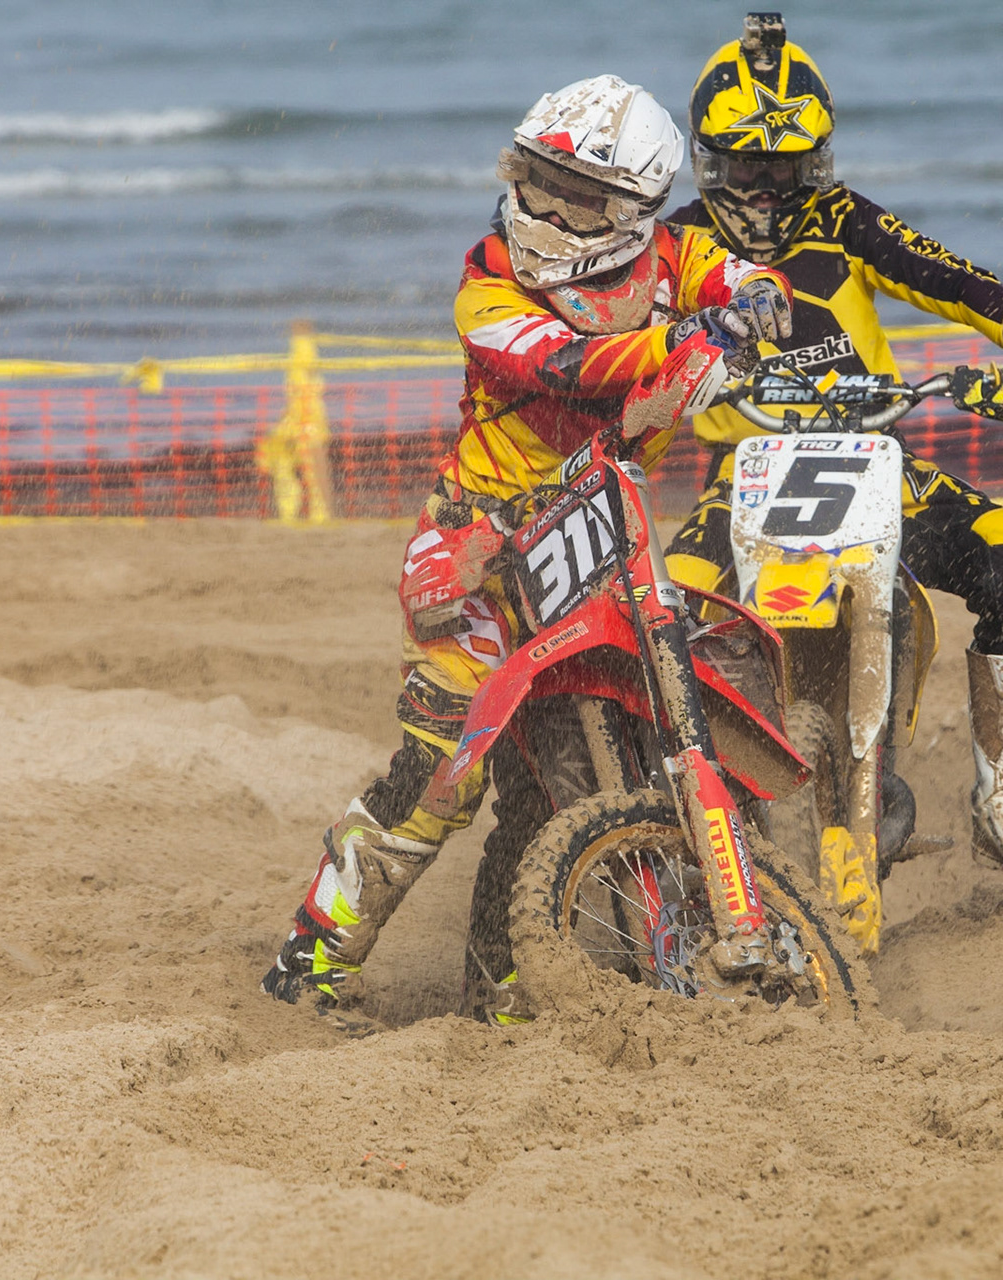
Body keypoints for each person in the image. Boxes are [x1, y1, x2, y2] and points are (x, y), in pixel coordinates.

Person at [262, 74, 794, 1018]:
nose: (547, 213)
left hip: (597, 538)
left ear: (634, 211)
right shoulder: (488, 282)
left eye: (578, 201)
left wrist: (756, 301)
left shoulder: (674, 260)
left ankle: (501, 985)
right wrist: (692, 342)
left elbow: (748, 277)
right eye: (536, 183)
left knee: (557, 787)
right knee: (440, 778)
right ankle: (309, 965)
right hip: (480, 555)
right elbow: (569, 366)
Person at [660, 14, 1003, 890]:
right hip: (741, 476)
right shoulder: (677, 246)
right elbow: (614, 346)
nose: (768, 188)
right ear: (710, 162)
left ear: (815, 163)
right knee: (664, 621)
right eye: (749, 167)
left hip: (877, 464)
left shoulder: (844, 220)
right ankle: (677, 830)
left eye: (786, 168)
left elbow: (950, 277)